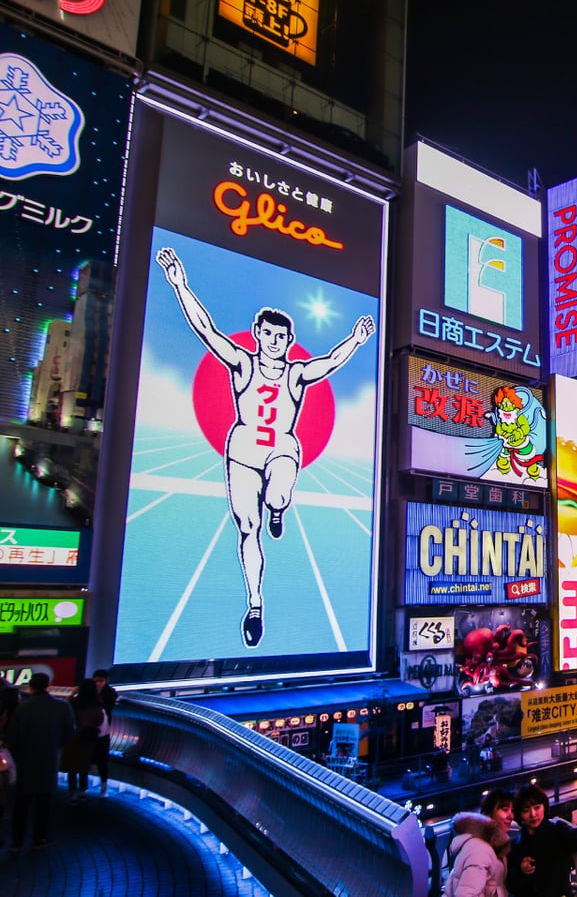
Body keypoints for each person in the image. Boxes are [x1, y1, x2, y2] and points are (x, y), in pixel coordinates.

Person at [157, 246, 375, 649]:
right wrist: (180, 285)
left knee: (278, 491)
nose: (274, 341)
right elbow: (207, 330)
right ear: (258, 335)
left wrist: (356, 340)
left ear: (290, 340)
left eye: (281, 336)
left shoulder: (295, 374)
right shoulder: (242, 363)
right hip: (241, 451)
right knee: (247, 528)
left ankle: (278, 507)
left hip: (281, 449)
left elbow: (327, 363)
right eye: (268, 334)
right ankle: (255, 604)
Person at [6, 672, 74, 851]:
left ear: (31, 687)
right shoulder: (62, 707)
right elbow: (69, 734)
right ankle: (39, 838)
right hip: (49, 760)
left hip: (26, 762)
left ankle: (17, 841)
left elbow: (12, 738)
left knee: (21, 804)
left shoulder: (22, 709)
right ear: (48, 686)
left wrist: (19, 757)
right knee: (44, 803)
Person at [506, 784, 577, 897]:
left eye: (537, 807)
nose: (533, 814)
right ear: (519, 815)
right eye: (526, 810)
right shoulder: (514, 847)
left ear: (544, 807)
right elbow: (511, 884)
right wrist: (521, 871)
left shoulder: (557, 830)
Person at [446, 788, 515, 897]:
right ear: (489, 814)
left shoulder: (494, 847)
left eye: (512, 810)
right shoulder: (480, 849)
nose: (511, 816)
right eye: (505, 810)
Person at [61, 677, 104, 801]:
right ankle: (83, 789)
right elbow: (99, 720)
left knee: (72, 764)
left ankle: (72, 791)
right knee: (84, 763)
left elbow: (66, 709)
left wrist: (73, 693)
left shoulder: (75, 702)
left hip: (74, 735)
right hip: (89, 736)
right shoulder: (97, 702)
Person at [91, 669, 116, 796]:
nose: (98, 684)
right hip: (92, 730)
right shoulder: (89, 692)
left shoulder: (110, 693)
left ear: (106, 681)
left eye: (101, 681)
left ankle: (104, 785)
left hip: (103, 731)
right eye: (96, 681)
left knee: (102, 760)